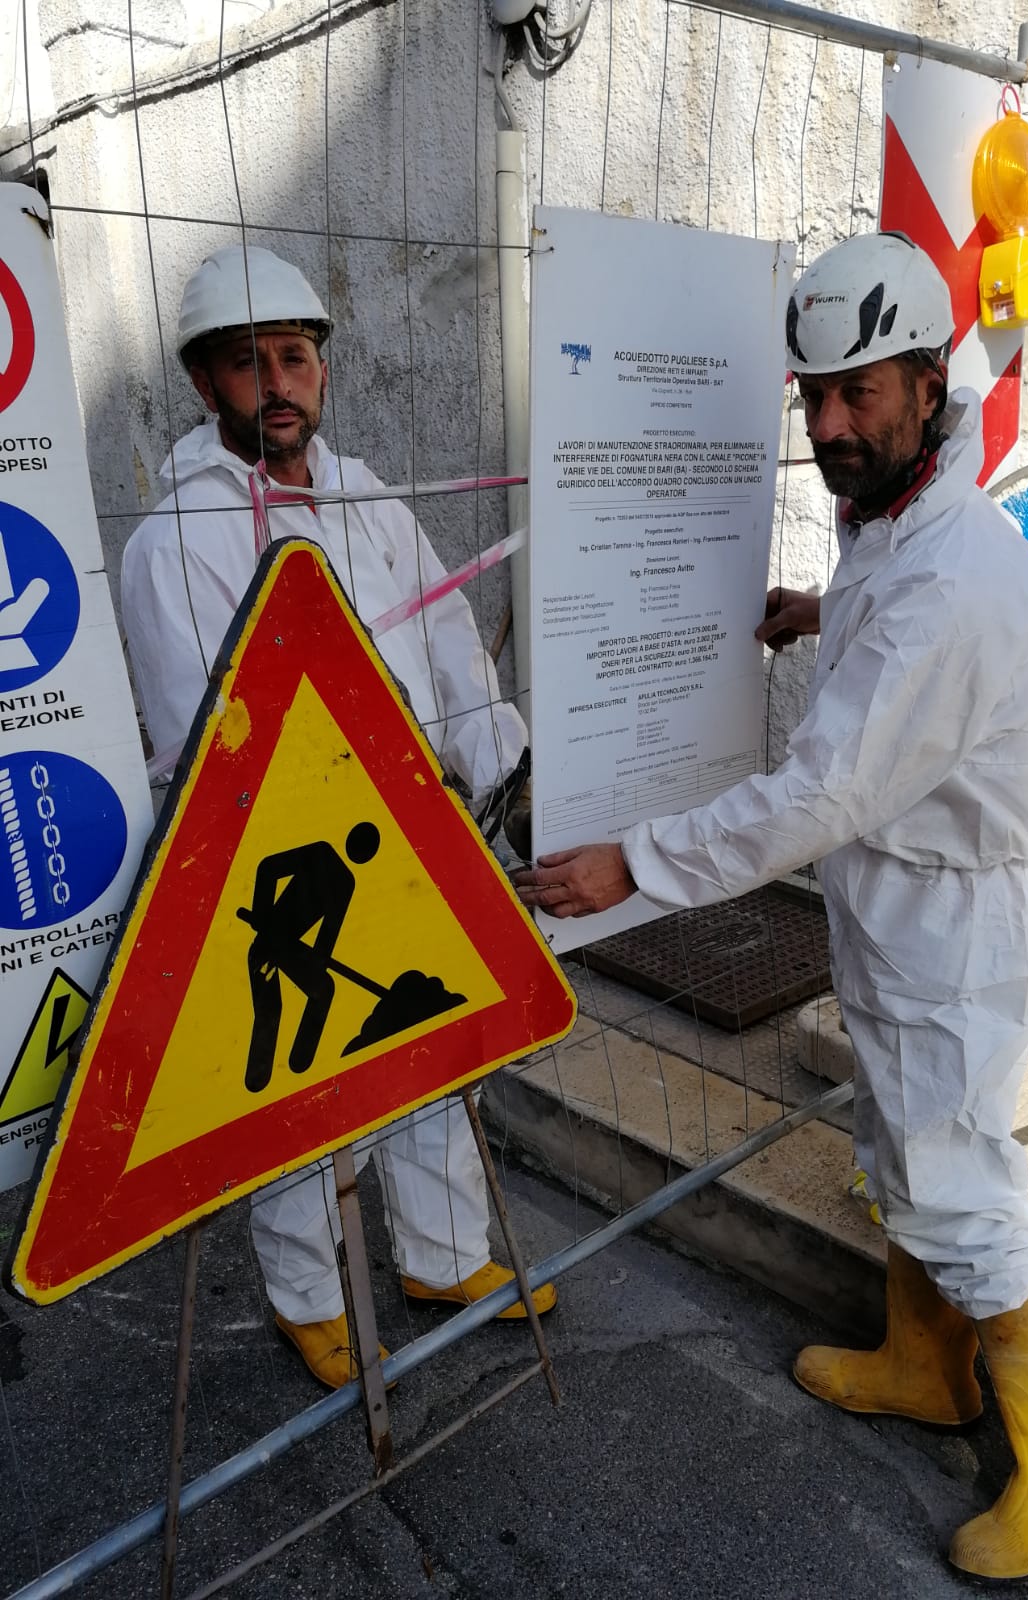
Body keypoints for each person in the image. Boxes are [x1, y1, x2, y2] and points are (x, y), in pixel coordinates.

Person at [515, 232, 1028, 1582]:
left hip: (953, 931)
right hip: (914, 912)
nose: (832, 424)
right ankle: (926, 1363)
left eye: (860, 394)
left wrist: (638, 864)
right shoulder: (905, 532)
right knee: (907, 1152)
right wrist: (815, 611)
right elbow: (882, 635)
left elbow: (819, 791)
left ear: (924, 384)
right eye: (815, 397)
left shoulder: (948, 586)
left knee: (960, 1186)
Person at [121, 244, 555, 1390]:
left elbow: (454, 650)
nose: (277, 382)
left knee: (431, 1043)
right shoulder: (173, 541)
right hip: (289, 860)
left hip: (416, 834)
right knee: (304, 1081)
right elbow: (202, 734)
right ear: (206, 384)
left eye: (296, 356)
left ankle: (446, 1256)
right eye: (247, 362)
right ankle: (310, 1296)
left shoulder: (368, 500)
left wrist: (504, 770)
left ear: (324, 369)